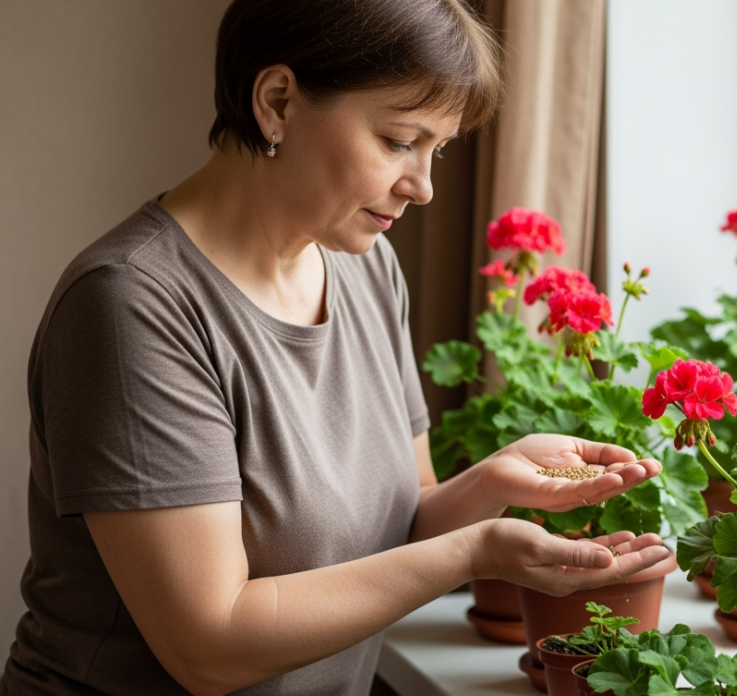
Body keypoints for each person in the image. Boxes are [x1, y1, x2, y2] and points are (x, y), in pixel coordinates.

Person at [0, 1, 672, 694]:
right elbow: (209, 645)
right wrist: (475, 553)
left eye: (436, 150)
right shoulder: (131, 306)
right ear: (278, 102)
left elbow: (396, 526)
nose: (425, 187)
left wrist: (492, 483)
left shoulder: (363, 264)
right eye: (397, 141)